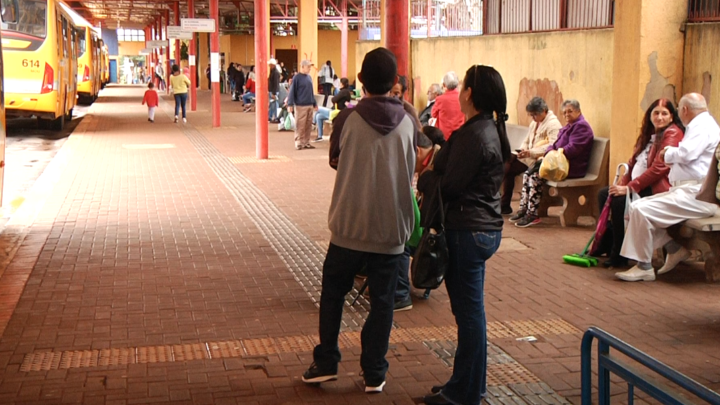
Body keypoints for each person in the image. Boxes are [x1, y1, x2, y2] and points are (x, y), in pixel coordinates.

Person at [302, 47, 417, 394]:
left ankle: (326, 362)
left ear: (362, 81)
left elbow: (335, 160)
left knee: (333, 294)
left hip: (349, 226)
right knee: (383, 302)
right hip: (392, 229)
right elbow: (416, 161)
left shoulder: (345, 119)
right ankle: (374, 372)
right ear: (395, 82)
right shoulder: (410, 120)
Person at [417, 65, 510, 405]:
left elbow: (452, 185)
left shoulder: (476, 134)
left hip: (468, 230)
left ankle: (465, 392)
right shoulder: (486, 128)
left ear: (468, 93)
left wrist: (426, 180)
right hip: (480, 228)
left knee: (469, 316)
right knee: (472, 314)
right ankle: (468, 384)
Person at [615, 93, 720, 282]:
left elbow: (686, 153)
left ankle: (644, 266)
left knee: (640, 209)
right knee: (636, 208)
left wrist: (667, 153)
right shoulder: (702, 124)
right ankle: (674, 250)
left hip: (697, 195)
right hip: (688, 191)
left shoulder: (702, 126)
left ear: (684, 110)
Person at [595, 99, 684, 268]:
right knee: (605, 193)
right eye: (656, 113)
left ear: (672, 117)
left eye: (664, 113)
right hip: (641, 185)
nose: (659, 117)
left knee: (620, 202)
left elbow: (659, 168)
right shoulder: (649, 134)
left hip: (658, 189)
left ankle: (619, 254)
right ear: (650, 116)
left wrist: (629, 188)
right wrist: (622, 185)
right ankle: (606, 244)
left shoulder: (672, 133)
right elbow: (632, 162)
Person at [510, 99, 594, 227]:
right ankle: (524, 209)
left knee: (535, 176)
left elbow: (573, 149)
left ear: (578, 111)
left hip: (571, 167)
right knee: (528, 174)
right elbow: (553, 144)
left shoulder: (582, 127)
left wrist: (553, 153)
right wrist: (550, 152)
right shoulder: (569, 125)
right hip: (559, 163)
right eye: (564, 112)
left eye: (570, 111)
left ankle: (533, 214)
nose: (566, 115)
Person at [501, 97, 562, 215]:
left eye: (535, 114)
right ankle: (504, 204)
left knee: (508, 168)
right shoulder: (535, 123)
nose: (533, 118)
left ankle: (505, 204)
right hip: (528, 156)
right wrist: (523, 149)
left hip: (540, 159)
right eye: (531, 115)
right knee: (508, 163)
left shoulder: (553, 125)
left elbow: (552, 146)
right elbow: (527, 139)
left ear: (544, 110)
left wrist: (531, 152)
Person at [287, 60, 318, 150]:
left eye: (310, 67)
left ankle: (306, 142)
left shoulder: (309, 77)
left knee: (308, 124)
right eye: (308, 67)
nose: (309, 68)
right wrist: (290, 104)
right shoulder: (296, 78)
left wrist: (314, 103)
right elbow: (292, 92)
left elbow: (311, 92)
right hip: (300, 105)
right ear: (303, 67)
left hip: (309, 104)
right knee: (300, 124)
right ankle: (299, 142)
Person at [312, 78, 352, 142]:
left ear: (343, 84)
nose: (339, 84)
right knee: (318, 116)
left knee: (318, 108)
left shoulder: (344, 92)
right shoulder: (346, 92)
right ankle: (320, 136)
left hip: (336, 112)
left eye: (340, 83)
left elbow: (333, 99)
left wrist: (335, 100)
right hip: (334, 111)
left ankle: (313, 123)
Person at [431, 71, 465, 140]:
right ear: (457, 84)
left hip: (445, 137)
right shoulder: (463, 97)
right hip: (461, 135)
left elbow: (433, 114)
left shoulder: (440, 99)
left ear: (444, 85)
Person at [268, 59, 281, 123]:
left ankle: (276, 117)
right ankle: (272, 117)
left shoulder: (275, 72)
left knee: (274, 104)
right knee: (273, 104)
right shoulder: (274, 71)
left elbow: (275, 83)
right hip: (273, 90)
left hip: (273, 91)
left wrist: (274, 93)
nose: (269, 66)